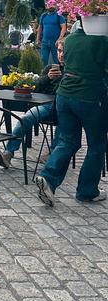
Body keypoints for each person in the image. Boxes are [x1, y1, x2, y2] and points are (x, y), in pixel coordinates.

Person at [34, 27, 108, 205]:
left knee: (67, 141)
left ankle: (48, 179)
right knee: (97, 145)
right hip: (89, 97)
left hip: (64, 95)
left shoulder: (71, 39)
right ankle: (87, 191)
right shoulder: (102, 41)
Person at [0, 50, 64, 168]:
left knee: (67, 120)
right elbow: (36, 88)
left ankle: (53, 153)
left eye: (63, 51)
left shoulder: (73, 71)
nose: (61, 54)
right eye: (59, 51)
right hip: (45, 106)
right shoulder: (50, 68)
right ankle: (8, 153)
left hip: (62, 108)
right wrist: (47, 77)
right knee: (26, 117)